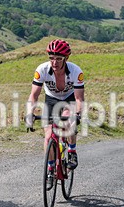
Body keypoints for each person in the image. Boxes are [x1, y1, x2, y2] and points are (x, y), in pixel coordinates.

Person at [25, 39, 84, 187]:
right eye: (51, 58)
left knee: (67, 120)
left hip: (69, 98)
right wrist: (29, 114)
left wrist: (77, 115)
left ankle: (71, 151)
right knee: (48, 134)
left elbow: (79, 99)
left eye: (59, 59)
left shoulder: (76, 72)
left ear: (66, 59)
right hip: (51, 99)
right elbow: (34, 95)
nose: (54, 62)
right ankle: (50, 169)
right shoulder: (42, 70)